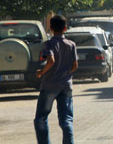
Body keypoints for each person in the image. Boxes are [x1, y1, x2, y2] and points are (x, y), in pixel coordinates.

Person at [34, 15, 78, 144]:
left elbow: (51, 60)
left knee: (41, 118)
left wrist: (42, 72)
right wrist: (64, 73)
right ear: (65, 28)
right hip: (66, 86)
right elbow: (75, 66)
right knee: (66, 119)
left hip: (49, 85)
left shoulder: (48, 44)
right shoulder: (71, 44)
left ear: (51, 28)